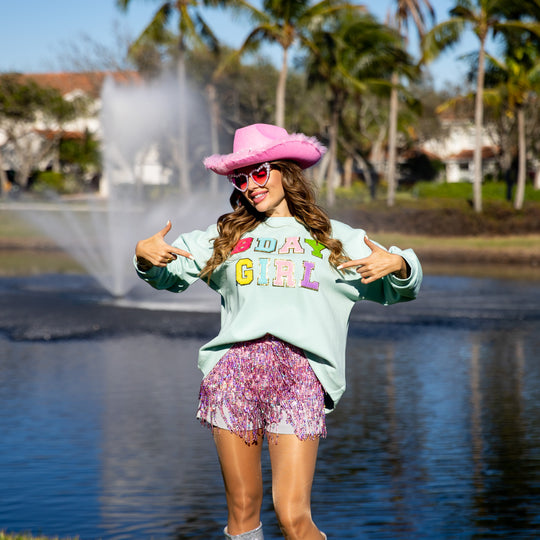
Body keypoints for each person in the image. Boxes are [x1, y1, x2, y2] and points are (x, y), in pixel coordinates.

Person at [134, 123, 422, 539]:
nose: (250, 185)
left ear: (286, 170)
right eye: (240, 177)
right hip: (233, 375)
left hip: (300, 377)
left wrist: (400, 265)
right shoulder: (226, 236)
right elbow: (169, 274)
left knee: (292, 514)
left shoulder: (332, 238)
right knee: (243, 510)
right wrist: (146, 258)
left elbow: (403, 286)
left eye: (260, 172)